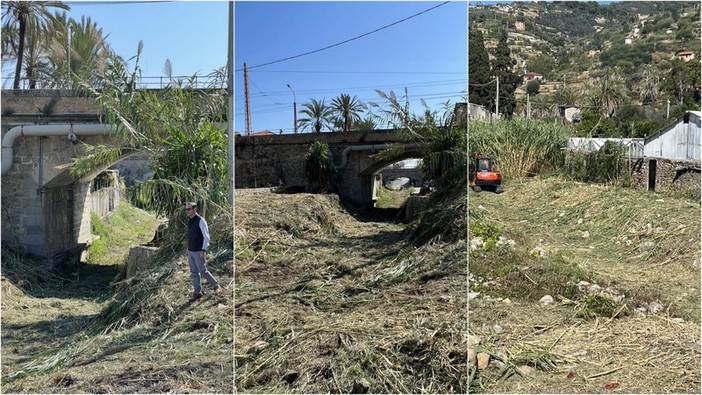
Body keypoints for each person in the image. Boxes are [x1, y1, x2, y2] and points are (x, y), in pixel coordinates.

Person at [185, 202, 220, 301]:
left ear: (194, 209)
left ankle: (216, 286)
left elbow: (206, 237)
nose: (187, 211)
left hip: (198, 251)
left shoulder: (200, 220)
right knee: (194, 273)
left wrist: (203, 250)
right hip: (191, 251)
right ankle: (197, 292)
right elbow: (191, 236)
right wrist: (188, 249)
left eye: (189, 209)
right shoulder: (190, 221)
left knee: (203, 271)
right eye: (186, 209)